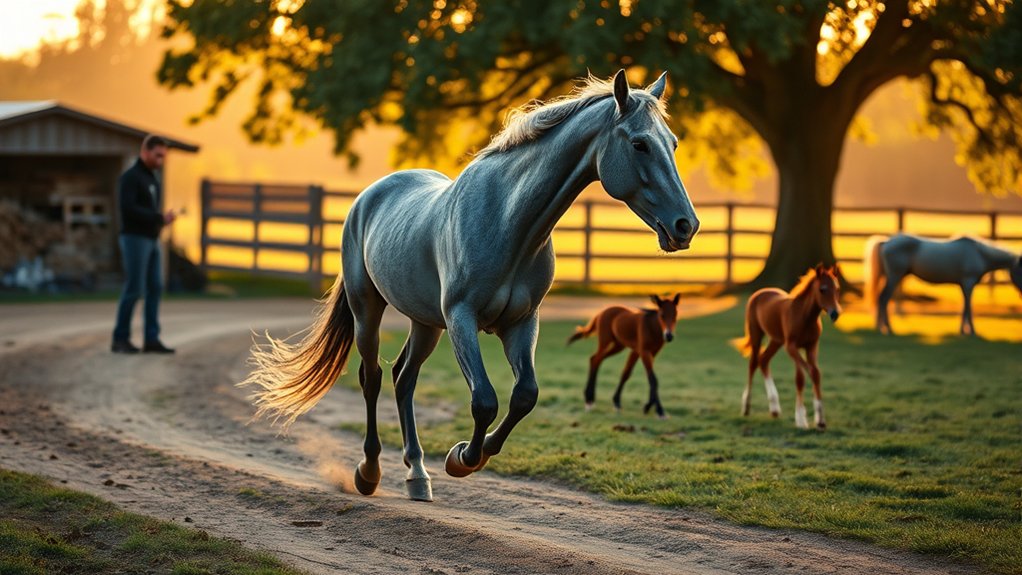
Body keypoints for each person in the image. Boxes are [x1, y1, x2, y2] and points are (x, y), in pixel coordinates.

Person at [111, 135, 177, 354]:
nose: (161, 160)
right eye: (158, 155)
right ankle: (120, 339)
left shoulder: (151, 179)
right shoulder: (130, 178)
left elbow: (149, 212)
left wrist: (160, 221)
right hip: (134, 239)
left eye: (164, 156)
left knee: (155, 287)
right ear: (145, 151)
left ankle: (151, 339)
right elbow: (128, 209)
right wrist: (157, 218)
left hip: (151, 239)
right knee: (134, 289)